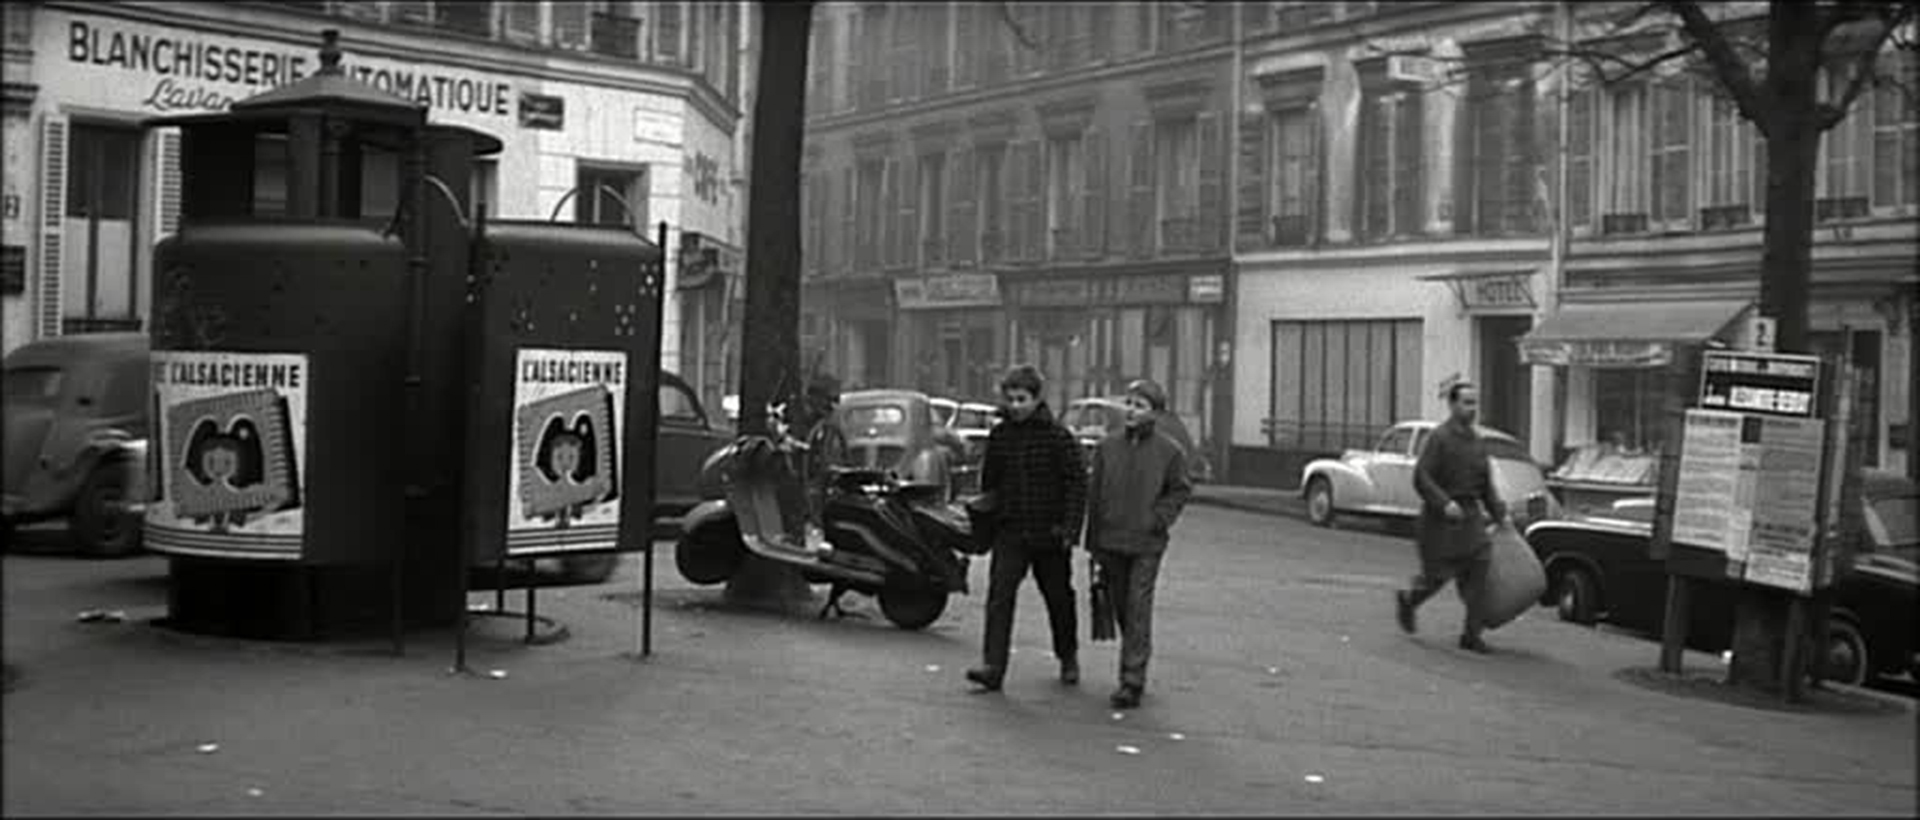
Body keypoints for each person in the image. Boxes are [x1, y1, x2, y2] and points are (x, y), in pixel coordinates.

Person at [966, 365, 1087, 692]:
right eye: (1011, 399)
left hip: (1049, 532)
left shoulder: (1057, 436)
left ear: (1037, 399)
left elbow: (1076, 483)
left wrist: (1069, 530)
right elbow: (989, 481)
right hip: (1011, 530)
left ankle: (1067, 654)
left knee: (1058, 598)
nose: (1016, 406)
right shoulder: (1001, 435)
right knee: (999, 597)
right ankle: (994, 666)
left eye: (1022, 399)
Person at [1086, 379, 1192, 709]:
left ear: (1156, 413)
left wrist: (1158, 518)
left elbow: (1179, 490)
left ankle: (1132, 678)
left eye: (1140, 405)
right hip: (1111, 540)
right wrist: (1092, 541)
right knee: (1121, 604)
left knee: (1137, 605)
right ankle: (1133, 656)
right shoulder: (1107, 447)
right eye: (1129, 403)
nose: (1131, 410)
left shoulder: (1169, 452)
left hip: (1147, 542)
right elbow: (1095, 494)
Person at [1396, 382, 1511, 654]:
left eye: (1474, 403)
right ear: (1452, 405)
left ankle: (1471, 634)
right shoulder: (1439, 438)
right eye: (1466, 403)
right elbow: (1421, 476)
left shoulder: (1477, 443)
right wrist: (1443, 502)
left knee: (1480, 570)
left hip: (1470, 519)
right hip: (1440, 522)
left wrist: (1500, 515)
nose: (1471, 409)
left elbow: (1485, 485)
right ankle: (1410, 600)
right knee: (1436, 578)